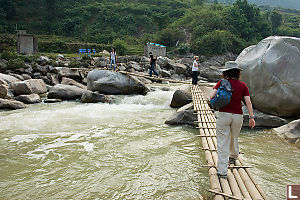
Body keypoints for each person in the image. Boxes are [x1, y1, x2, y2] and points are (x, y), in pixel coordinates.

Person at [209, 61, 255, 179]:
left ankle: (223, 171)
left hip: (224, 115)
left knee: (222, 142)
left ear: (225, 72)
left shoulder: (221, 83)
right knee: (234, 137)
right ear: (238, 72)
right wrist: (251, 117)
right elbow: (248, 102)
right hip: (238, 116)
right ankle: (233, 157)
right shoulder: (243, 85)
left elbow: (211, 96)